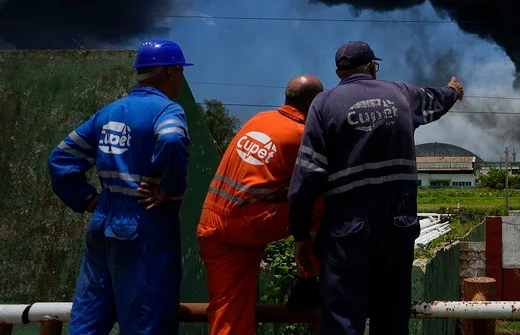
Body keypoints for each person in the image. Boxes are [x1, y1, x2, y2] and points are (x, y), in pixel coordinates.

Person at [287, 40, 464, 335]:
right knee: (392, 313)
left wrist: (300, 233)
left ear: (338, 72)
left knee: (342, 316)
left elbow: (308, 175)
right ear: (372, 67)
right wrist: (453, 91)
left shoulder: (324, 104)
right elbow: (437, 99)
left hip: (347, 225)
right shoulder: (402, 94)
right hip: (398, 221)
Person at [47, 39, 193, 335]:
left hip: (103, 220)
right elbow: (171, 139)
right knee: (146, 321)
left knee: (89, 318)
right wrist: (170, 187)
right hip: (144, 221)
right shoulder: (167, 110)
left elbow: (61, 157)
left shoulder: (109, 112)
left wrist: (88, 199)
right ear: (172, 72)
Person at [196, 74, 325, 335]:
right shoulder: (302, 135)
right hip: (248, 222)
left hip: (212, 221)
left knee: (228, 310)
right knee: (323, 198)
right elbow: (308, 190)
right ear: (315, 104)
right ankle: (309, 279)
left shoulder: (258, 120)